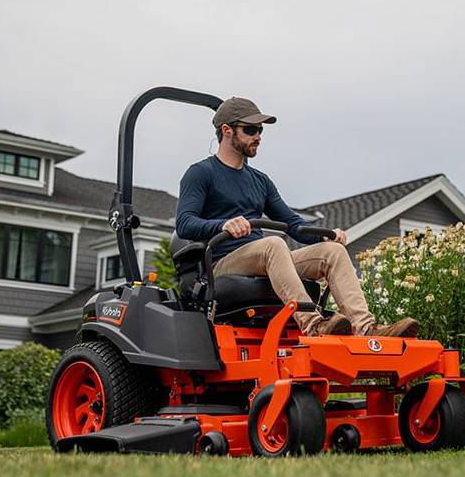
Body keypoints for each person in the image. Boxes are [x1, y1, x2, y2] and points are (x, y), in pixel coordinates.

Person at [175, 96, 419, 337]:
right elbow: (185, 223)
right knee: (273, 244)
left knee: (332, 252)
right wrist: (224, 225)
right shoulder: (201, 173)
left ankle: (366, 329)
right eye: (250, 129)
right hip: (223, 264)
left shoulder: (260, 181)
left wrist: (324, 238)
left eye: (260, 130)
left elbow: (293, 224)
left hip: (264, 259)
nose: (258, 136)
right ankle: (314, 325)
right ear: (226, 131)